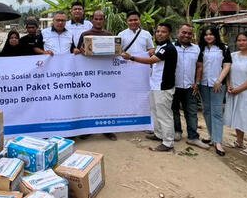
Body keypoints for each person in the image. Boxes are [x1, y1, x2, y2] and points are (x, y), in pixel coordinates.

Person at [122, 23, 178, 152]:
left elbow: (151, 61)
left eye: (163, 32)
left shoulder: (168, 48)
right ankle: (159, 134)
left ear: (169, 34)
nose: (159, 34)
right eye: (158, 31)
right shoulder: (160, 47)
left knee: (164, 115)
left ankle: (168, 142)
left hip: (163, 87)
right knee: (155, 111)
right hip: (155, 85)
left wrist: (131, 57)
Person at [75, 10, 117, 141]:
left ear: (104, 20)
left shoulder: (109, 35)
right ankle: (89, 129)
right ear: (92, 20)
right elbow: (77, 50)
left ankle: (107, 130)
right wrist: (80, 51)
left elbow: (115, 53)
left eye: (101, 19)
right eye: (96, 19)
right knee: (90, 101)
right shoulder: (85, 34)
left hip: (105, 73)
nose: (98, 21)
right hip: (89, 74)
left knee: (106, 101)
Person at [196, 26, 232, 156]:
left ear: (216, 35)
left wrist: (219, 80)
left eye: (211, 34)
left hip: (218, 85)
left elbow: (227, 66)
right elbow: (198, 66)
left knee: (217, 112)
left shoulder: (224, 48)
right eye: (206, 34)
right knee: (206, 111)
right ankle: (212, 137)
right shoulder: (200, 49)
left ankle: (218, 142)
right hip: (204, 84)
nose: (208, 37)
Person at [172, 24, 208, 149]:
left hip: (190, 87)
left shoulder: (197, 49)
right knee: (174, 110)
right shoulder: (171, 47)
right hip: (173, 85)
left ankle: (193, 137)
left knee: (192, 112)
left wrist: (197, 83)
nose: (186, 35)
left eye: (189, 33)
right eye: (184, 32)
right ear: (178, 32)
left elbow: (199, 67)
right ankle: (177, 132)